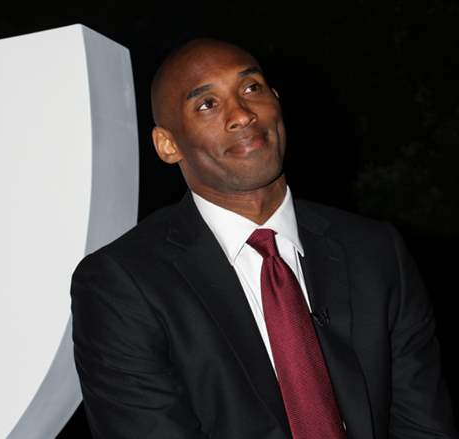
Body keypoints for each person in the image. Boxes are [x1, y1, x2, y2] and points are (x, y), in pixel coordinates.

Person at [70, 38, 457, 438]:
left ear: (276, 101)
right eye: (207, 104)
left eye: (251, 88)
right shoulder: (121, 285)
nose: (241, 114)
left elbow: (424, 426)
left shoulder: (375, 252)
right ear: (168, 145)